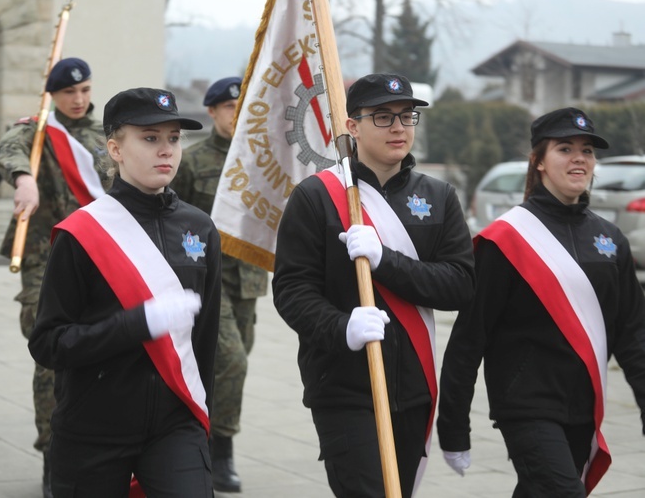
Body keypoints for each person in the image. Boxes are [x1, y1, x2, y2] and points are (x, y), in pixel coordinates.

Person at [272, 73, 475, 497]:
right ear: (352, 125)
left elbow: (458, 285)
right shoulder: (316, 197)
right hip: (342, 386)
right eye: (383, 117)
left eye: (407, 116)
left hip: (414, 387)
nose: (399, 127)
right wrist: (340, 327)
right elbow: (292, 290)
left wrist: (386, 261)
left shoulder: (439, 197)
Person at [437, 107, 645, 497]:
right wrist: (453, 428)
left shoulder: (610, 240)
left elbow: (633, 333)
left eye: (587, 150)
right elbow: (469, 339)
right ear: (539, 162)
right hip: (526, 407)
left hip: (585, 407)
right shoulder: (506, 240)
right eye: (565, 148)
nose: (579, 158)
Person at [28, 87, 221, 497]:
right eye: (150, 139)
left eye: (173, 138)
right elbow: (48, 344)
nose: (165, 150)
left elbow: (204, 339)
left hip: (175, 424)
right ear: (115, 148)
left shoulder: (200, 227)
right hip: (93, 428)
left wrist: (203, 415)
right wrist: (138, 323)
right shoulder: (81, 233)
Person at [0, 57, 113, 497]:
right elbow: (7, 149)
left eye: (84, 91)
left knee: (102, 353)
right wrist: (24, 177)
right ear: (54, 96)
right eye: (69, 93)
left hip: (99, 259)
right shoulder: (38, 130)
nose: (79, 100)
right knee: (51, 359)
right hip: (46, 259)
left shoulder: (106, 135)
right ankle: (52, 456)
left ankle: (96, 451)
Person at [170, 76, 267, 493]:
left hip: (247, 278)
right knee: (232, 362)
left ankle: (200, 443)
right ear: (212, 112)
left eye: (244, 106)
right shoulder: (191, 162)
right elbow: (173, 220)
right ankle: (219, 451)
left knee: (228, 363)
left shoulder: (263, 160)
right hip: (207, 281)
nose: (237, 113)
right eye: (229, 107)